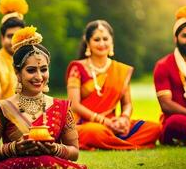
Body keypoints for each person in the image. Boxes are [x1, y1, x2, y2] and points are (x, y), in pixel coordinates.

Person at [0, 26, 87, 169]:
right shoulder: (3, 108)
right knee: (45, 162)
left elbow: (74, 152)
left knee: (47, 161)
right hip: (13, 163)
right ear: (17, 73)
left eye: (44, 69)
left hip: (52, 162)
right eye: (31, 70)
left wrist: (55, 149)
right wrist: (14, 148)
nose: (39, 77)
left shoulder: (61, 107)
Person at [66, 20, 161, 150]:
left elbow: (127, 104)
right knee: (95, 132)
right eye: (97, 39)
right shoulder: (77, 68)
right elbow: (74, 105)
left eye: (105, 39)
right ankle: (123, 143)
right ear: (88, 42)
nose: (102, 43)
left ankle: (110, 142)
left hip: (114, 125)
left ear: (111, 42)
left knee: (154, 128)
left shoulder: (120, 70)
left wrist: (124, 119)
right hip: (86, 124)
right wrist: (103, 121)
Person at [153, 6, 186, 145]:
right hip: (175, 125)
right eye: (185, 36)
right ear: (175, 38)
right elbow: (166, 105)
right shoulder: (163, 65)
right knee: (175, 122)